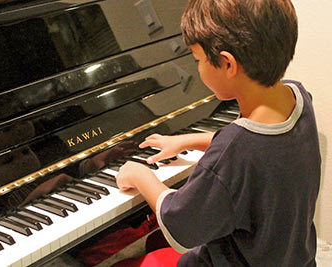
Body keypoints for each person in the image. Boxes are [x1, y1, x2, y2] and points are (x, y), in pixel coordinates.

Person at [115, 0, 321, 266]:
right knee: (153, 246)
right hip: (291, 257)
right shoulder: (298, 96)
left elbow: (182, 226)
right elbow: (263, 151)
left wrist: (141, 175)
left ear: (227, 64)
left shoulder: (235, 150)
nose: (198, 68)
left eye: (198, 60)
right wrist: (189, 140)